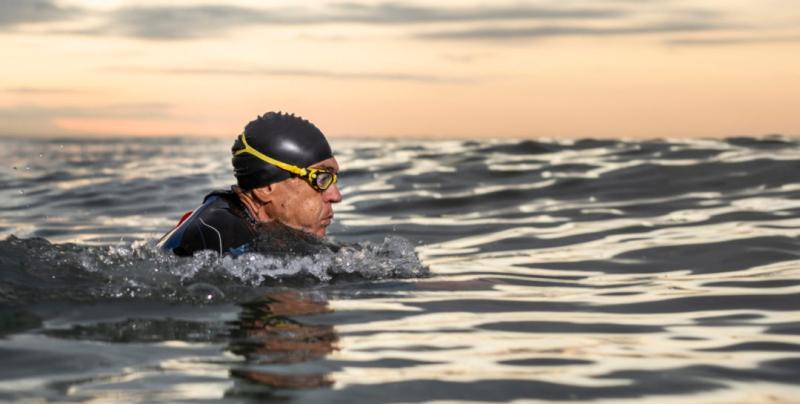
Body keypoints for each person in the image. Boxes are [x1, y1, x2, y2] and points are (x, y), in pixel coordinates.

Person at [158, 112, 342, 256]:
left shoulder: (254, 227)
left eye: (333, 179)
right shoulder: (217, 235)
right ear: (265, 188)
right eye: (321, 178)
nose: (336, 196)